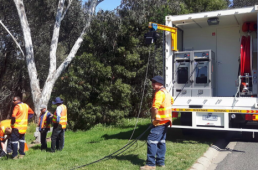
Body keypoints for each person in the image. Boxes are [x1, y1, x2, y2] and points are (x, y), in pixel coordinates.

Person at [140, 76, 173, 170]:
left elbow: (155, 107)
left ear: (160, 83)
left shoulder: (159, 93)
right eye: (152, 82)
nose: (153, 84)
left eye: (155, 82)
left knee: (151, 141)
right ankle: (160, 162)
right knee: (161, 141)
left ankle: (150, 165)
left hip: (159, 122)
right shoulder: (166, 92)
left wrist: (153, 117)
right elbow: (171, 101)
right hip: (166, 121)